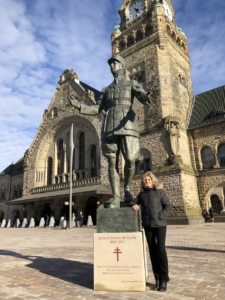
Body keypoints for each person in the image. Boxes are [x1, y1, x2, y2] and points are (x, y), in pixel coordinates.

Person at [69, 54, 151, 208]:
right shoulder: (106, 90)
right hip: (110, 126)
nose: (112, 66)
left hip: (128, 124)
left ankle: (126, 188)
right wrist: (79, 106)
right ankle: (116, 197)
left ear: (122, 66)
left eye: (115, 63)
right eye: (111, 64)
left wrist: (146, 97)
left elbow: (142, 96)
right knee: (112, 162)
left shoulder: (131, 83)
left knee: (131, 158)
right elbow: (96, 108)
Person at [130, 171, 172, 292]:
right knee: (153, 252)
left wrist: (161, 216)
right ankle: (157, 278)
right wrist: (134, 205)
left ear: (153, 180)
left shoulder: (160, 192)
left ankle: (164, 279)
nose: (147, 182)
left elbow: (168, 206)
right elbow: (133, 201)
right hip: (148, 225)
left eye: (149, 180)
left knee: (161, 250)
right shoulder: (142, 194)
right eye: (145, 180)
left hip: (160, 225)